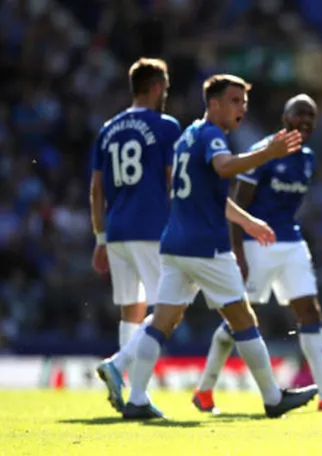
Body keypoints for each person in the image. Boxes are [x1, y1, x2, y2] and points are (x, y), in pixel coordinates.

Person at [101, 74, 318, 420]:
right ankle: (273, 398)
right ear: (213, 103)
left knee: (162, 322)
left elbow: (208, 193)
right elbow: (225, 167)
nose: (241, 108)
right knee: (243, 320)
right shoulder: (213, 137)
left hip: (174, 245)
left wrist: (247, 221)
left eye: (244, 102)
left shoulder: (189, 135)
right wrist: (267, 152)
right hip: (206, 248)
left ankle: (138, 398)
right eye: (234, 101)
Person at [192, 94, 322, 413]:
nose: (305, 120)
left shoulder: (307, 158)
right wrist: (236, 250)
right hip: (257, 244)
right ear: (285, 118)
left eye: (311, 115)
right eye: (299, 114)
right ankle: (205, 390)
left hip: (291, 243)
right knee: (239, 317)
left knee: (310, 311)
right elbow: (237, 205)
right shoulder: (262, 153)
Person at [89, 58, 180, 406]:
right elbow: (174, 181)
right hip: (151, 227)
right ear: (156, 87)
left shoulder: (107, 129)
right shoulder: (166, 126)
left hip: (116, 231)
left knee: (132, 310)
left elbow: (96, 188)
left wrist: (99, 237)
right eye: (165, 89)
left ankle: (124, 388)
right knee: (168, 310)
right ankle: (132, 384)